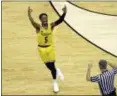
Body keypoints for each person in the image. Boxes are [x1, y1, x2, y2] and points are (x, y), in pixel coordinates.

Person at [28, 5, 67, 92]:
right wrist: (29, 14)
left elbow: (60, 20)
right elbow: (32, 21)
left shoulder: (51, 25)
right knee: (49, 66)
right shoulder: (38, 27)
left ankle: (54, 82)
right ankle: (57, 70)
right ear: (41, 19)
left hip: (50, 47)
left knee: (52, 65)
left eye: (46, 17)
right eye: (43, 18)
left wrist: (64, 12)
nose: (45, 19)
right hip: (41, 49)